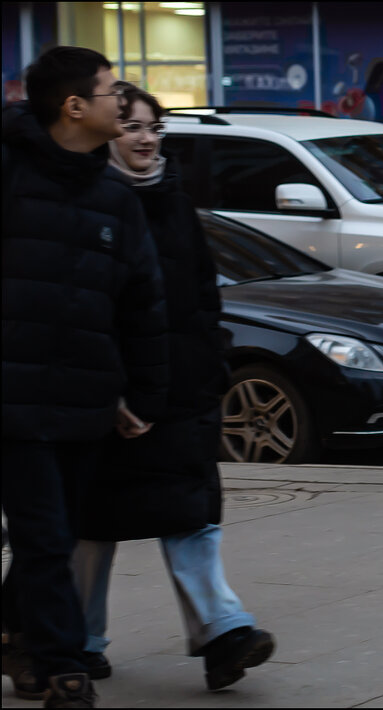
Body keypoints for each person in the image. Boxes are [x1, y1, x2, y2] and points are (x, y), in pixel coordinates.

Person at [68, 82, 276, 694]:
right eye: (131, 126)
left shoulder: (175, 201)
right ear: (107, 131)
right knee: (91, 526)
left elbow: (203, 296)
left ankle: (223, 633)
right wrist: (111, 391)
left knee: (190, 515)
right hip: (112, 398)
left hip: (181, 391)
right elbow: (85, 307)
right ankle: (79, 638)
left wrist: (210, 369)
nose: (145, 139)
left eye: (154, 128)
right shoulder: (88, 203)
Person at [2, 47, 169, 708]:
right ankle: (64, 668)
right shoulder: (9, 176)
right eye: (109, 93)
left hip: (84, 396)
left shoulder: (111, 196)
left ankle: (22, 636)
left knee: (59, 533)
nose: (121, 103)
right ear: (74, 107)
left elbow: (142, 302)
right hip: (12, 400)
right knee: (44, 537)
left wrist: (142, 393)